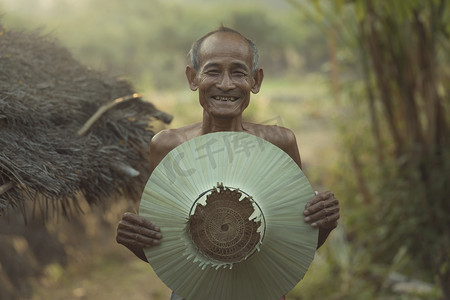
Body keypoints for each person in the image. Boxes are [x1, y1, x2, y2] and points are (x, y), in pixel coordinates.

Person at [116, 26, 340, 300]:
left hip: (262, 292)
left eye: (238, 72)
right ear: (193, 77)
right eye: (212, 71)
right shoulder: (168, 147)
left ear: (255, 81)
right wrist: (134, 240)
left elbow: (294, 244)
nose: (225, 84)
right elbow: (166, 251)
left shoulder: (279, 144)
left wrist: (324, 223)